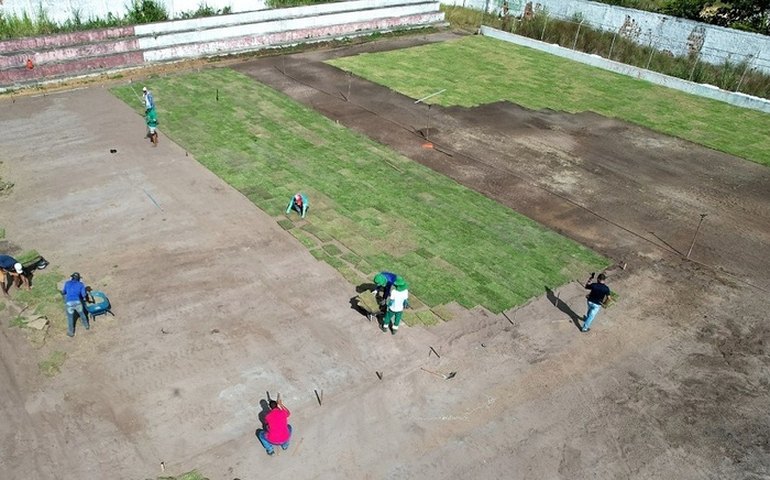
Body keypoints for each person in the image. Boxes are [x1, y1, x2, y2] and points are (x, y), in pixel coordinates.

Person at [61, 272, 89, 337]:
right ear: (79, 279)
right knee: (82, 314)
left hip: (69, 303)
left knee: (70, 318)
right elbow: (84, 295)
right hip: (77, 302)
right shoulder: (81, 284)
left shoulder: (67, 283)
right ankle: (86, 325)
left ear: (71, 278)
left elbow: (63, 292)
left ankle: (71, 332)